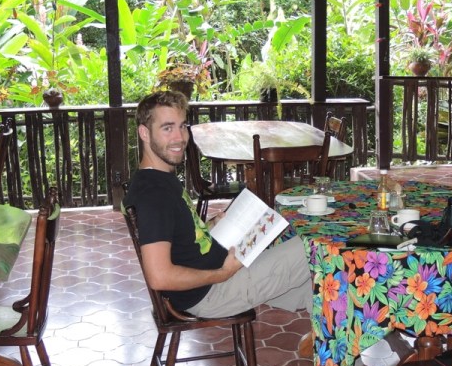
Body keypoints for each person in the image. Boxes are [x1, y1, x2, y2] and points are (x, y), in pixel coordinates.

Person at [123, 90, 313, 319]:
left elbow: (177, 238)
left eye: (182, 126)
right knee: (314, 246)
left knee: (320, 280)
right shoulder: (154, 194)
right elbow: (159, 276)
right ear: (144, 132)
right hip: (213, 292)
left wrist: (209, 226)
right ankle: (337, 344)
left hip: (218, 269)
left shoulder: (157, 177)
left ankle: (327, 339)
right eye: (167, 128)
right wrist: (222, 273)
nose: (179, 137)